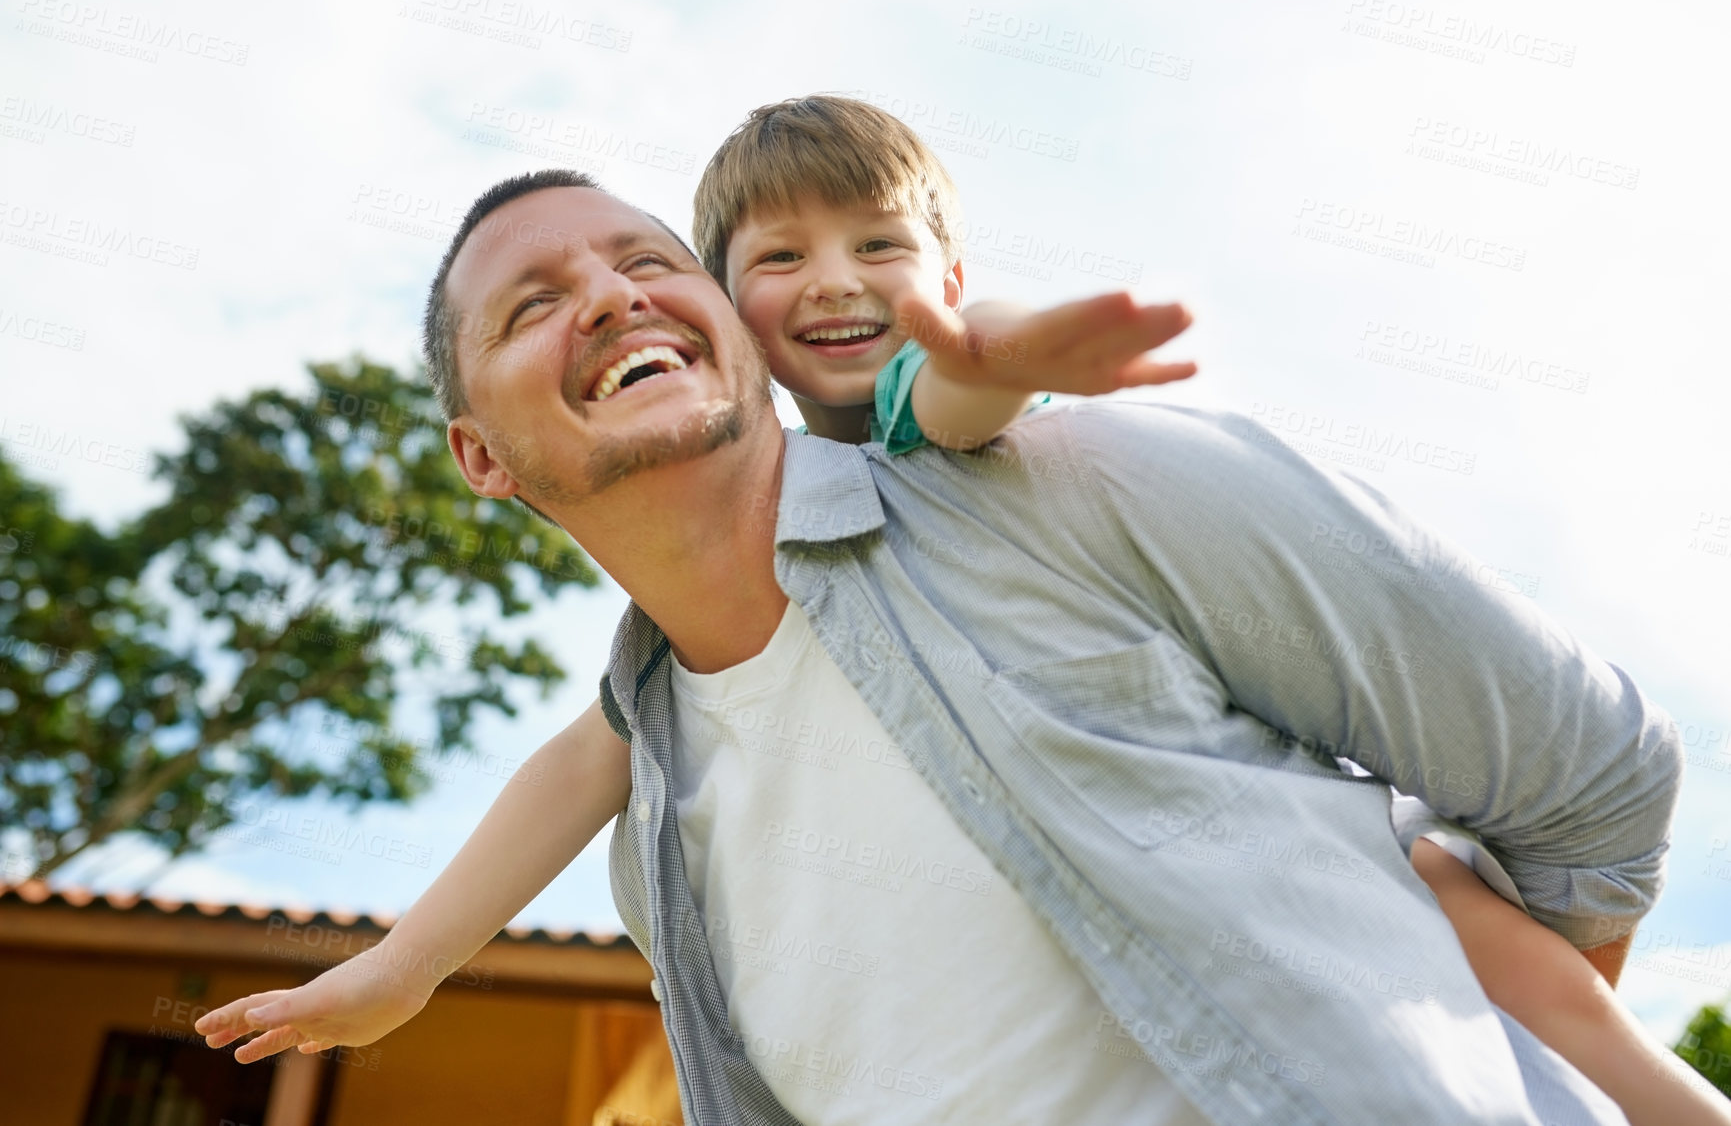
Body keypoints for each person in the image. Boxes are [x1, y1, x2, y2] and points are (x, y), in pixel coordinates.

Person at [196, 98, 1721, 1123]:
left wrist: (1470, 1017)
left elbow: (1593, 786)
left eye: (647, 262)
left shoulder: (1072, 487)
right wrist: (397, 970)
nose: (609, 296)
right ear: (481, 456)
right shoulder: (659, 855)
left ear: (728, 330)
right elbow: (570, 767)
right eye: (535, 303)